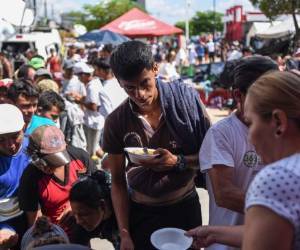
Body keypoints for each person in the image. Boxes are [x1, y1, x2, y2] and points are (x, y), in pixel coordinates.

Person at [103, 40, 210, 250]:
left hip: (185, 209)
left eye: (145, 84)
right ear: (118, 82)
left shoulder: (187, 103)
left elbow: (210, 155)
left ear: (155, 69)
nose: (140, 94)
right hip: (142, 215)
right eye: (130, 88)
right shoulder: (116, 122)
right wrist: (124, 233)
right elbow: (117, 181)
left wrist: (178, 161)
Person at [188, 70, 300, 250]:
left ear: (279, 121)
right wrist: (214, 234)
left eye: (252, 123)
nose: (250, 138)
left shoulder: (278, 178)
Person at [198, 56, 278, 250]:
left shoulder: (282, 128)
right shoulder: (221, 134)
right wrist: (279, 209)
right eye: (260, 96)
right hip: (225, 245)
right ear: (238, 96)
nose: (269, 103)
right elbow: (224, 194)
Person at [18, 126, 96, 235]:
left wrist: (74, 207)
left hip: (84, 229)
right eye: (48, 161)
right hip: (54, 234)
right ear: (34, 156)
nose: (52, 166)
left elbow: (99, 190)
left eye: (56, 159)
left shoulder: (79, 157)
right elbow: (36, 224)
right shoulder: (31, 178)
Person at [0, 104, 30, 249]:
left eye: (14, 136)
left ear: (24, 128)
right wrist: (4, 228)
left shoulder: (35, 147)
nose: (10, 145)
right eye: (1, 140)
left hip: (32, 215)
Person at [69, 170, 119, 248]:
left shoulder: (128, 218)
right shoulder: (82, 225)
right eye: (75, 214)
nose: (78, 221)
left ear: (102, 205)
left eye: (84, 214)